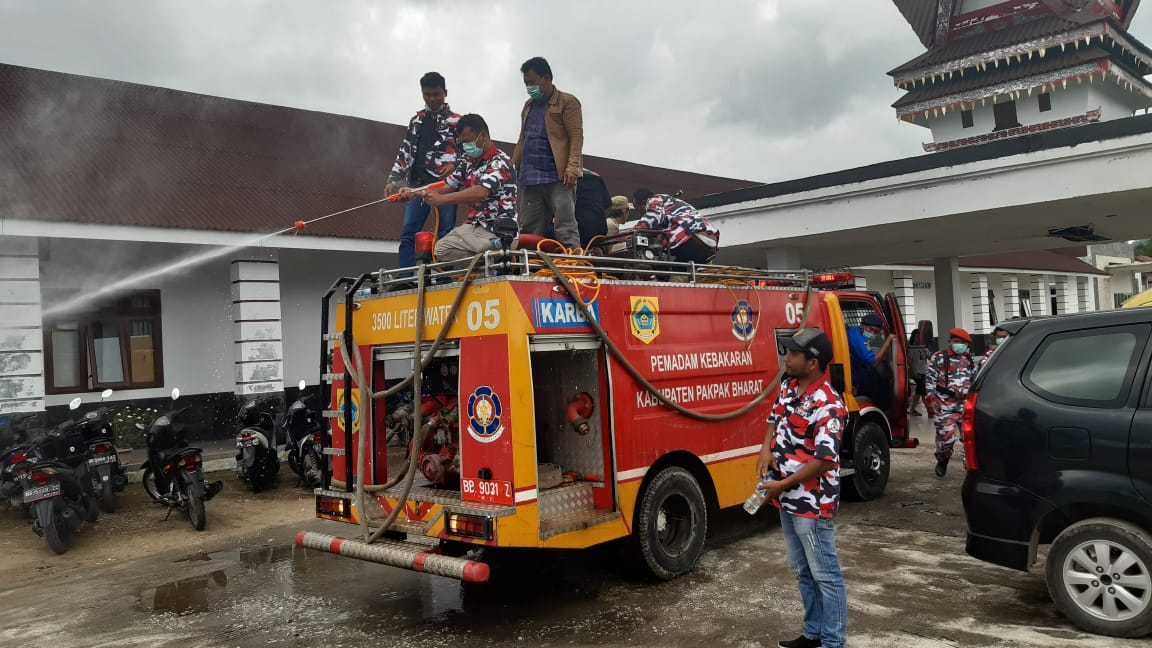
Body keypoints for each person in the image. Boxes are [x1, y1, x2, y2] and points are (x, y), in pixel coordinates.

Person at [755, 328, 849, 648]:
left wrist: (782, 484)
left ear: (813, 363)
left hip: (812, 503)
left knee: (825, 574)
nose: (787, 358)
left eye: (794, 354)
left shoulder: (830, 405)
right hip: (786, 498)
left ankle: (833, 642)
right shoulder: (788, 386)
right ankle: (813, 633)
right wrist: (765, 450)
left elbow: (823, 461)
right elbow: (773, 418)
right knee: (802, 570)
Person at [399, 114, 517, 263]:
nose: (465, 147)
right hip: (474, 227)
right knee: (441, 250)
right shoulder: (467, 161)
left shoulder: (500, 162)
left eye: (468, 142)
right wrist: (414, 192)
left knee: (455, 249)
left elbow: (481, 192)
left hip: (499, 230)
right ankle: (485, 262)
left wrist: (441, 200)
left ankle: (493, 257)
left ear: (483, 136)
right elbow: (448, 185)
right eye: (462, 143)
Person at [384, 72, 461, 274]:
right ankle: (406, 278)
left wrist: (454, 165)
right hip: (416, 185)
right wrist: (394, 178)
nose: (432, 99)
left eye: (436, 94)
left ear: (445, 93)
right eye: (427, 94)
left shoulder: (457, 122)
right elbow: (405, 151)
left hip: (444, 186)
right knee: (409, 232)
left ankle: (444, 277)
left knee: (445, 232)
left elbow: (468, 156)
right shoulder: (416, 120)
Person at [512, 56, 584, 250]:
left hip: (558, 176)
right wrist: (512, 167)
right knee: (528, 227)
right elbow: (522, 138)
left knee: (565, 225)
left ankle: (573, 262)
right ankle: (531, 264)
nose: (529, 87)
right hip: (530, 177)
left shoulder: (568, 102)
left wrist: (572, 167)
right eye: (526, 83)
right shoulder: (528, 105)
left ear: (547, 78)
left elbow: (576, 136)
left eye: (532, 82)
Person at [925, 328, 977, 477]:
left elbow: (975, 380)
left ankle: (970, 468)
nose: (960, 345)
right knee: (946, 439)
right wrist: (930, 399)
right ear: (950, 342)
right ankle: (943, 460)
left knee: (970, 440)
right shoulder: (939, 357)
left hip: (965, 407)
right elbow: (930, 379)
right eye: (956, 341)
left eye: (963, 343)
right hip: (945, 406)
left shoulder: (969, 359)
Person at [632, 188, 719, 265]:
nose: (640, 214)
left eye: (637, 209)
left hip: (690, 236)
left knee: (655, 248)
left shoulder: (655, 199)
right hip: (710, 243)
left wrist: (632, 233)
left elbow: (652, 217)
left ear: (644, 202)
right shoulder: (671, 202)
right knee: (677, 271)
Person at [846, 312, 896, 410]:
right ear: (862, 325)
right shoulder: (859, 338)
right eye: (871, 329)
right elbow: (874, 362)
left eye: (876, 332)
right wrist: (888, 340)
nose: (872, 333)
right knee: (881, 383)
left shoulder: (854, 330)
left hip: (852, 368)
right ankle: (881, 409)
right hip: (851, 373)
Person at [573, 168, 611, 247]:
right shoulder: (596, 176)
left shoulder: (568, 176)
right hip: (600, 230)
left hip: (579, 230)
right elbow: (607, 204)